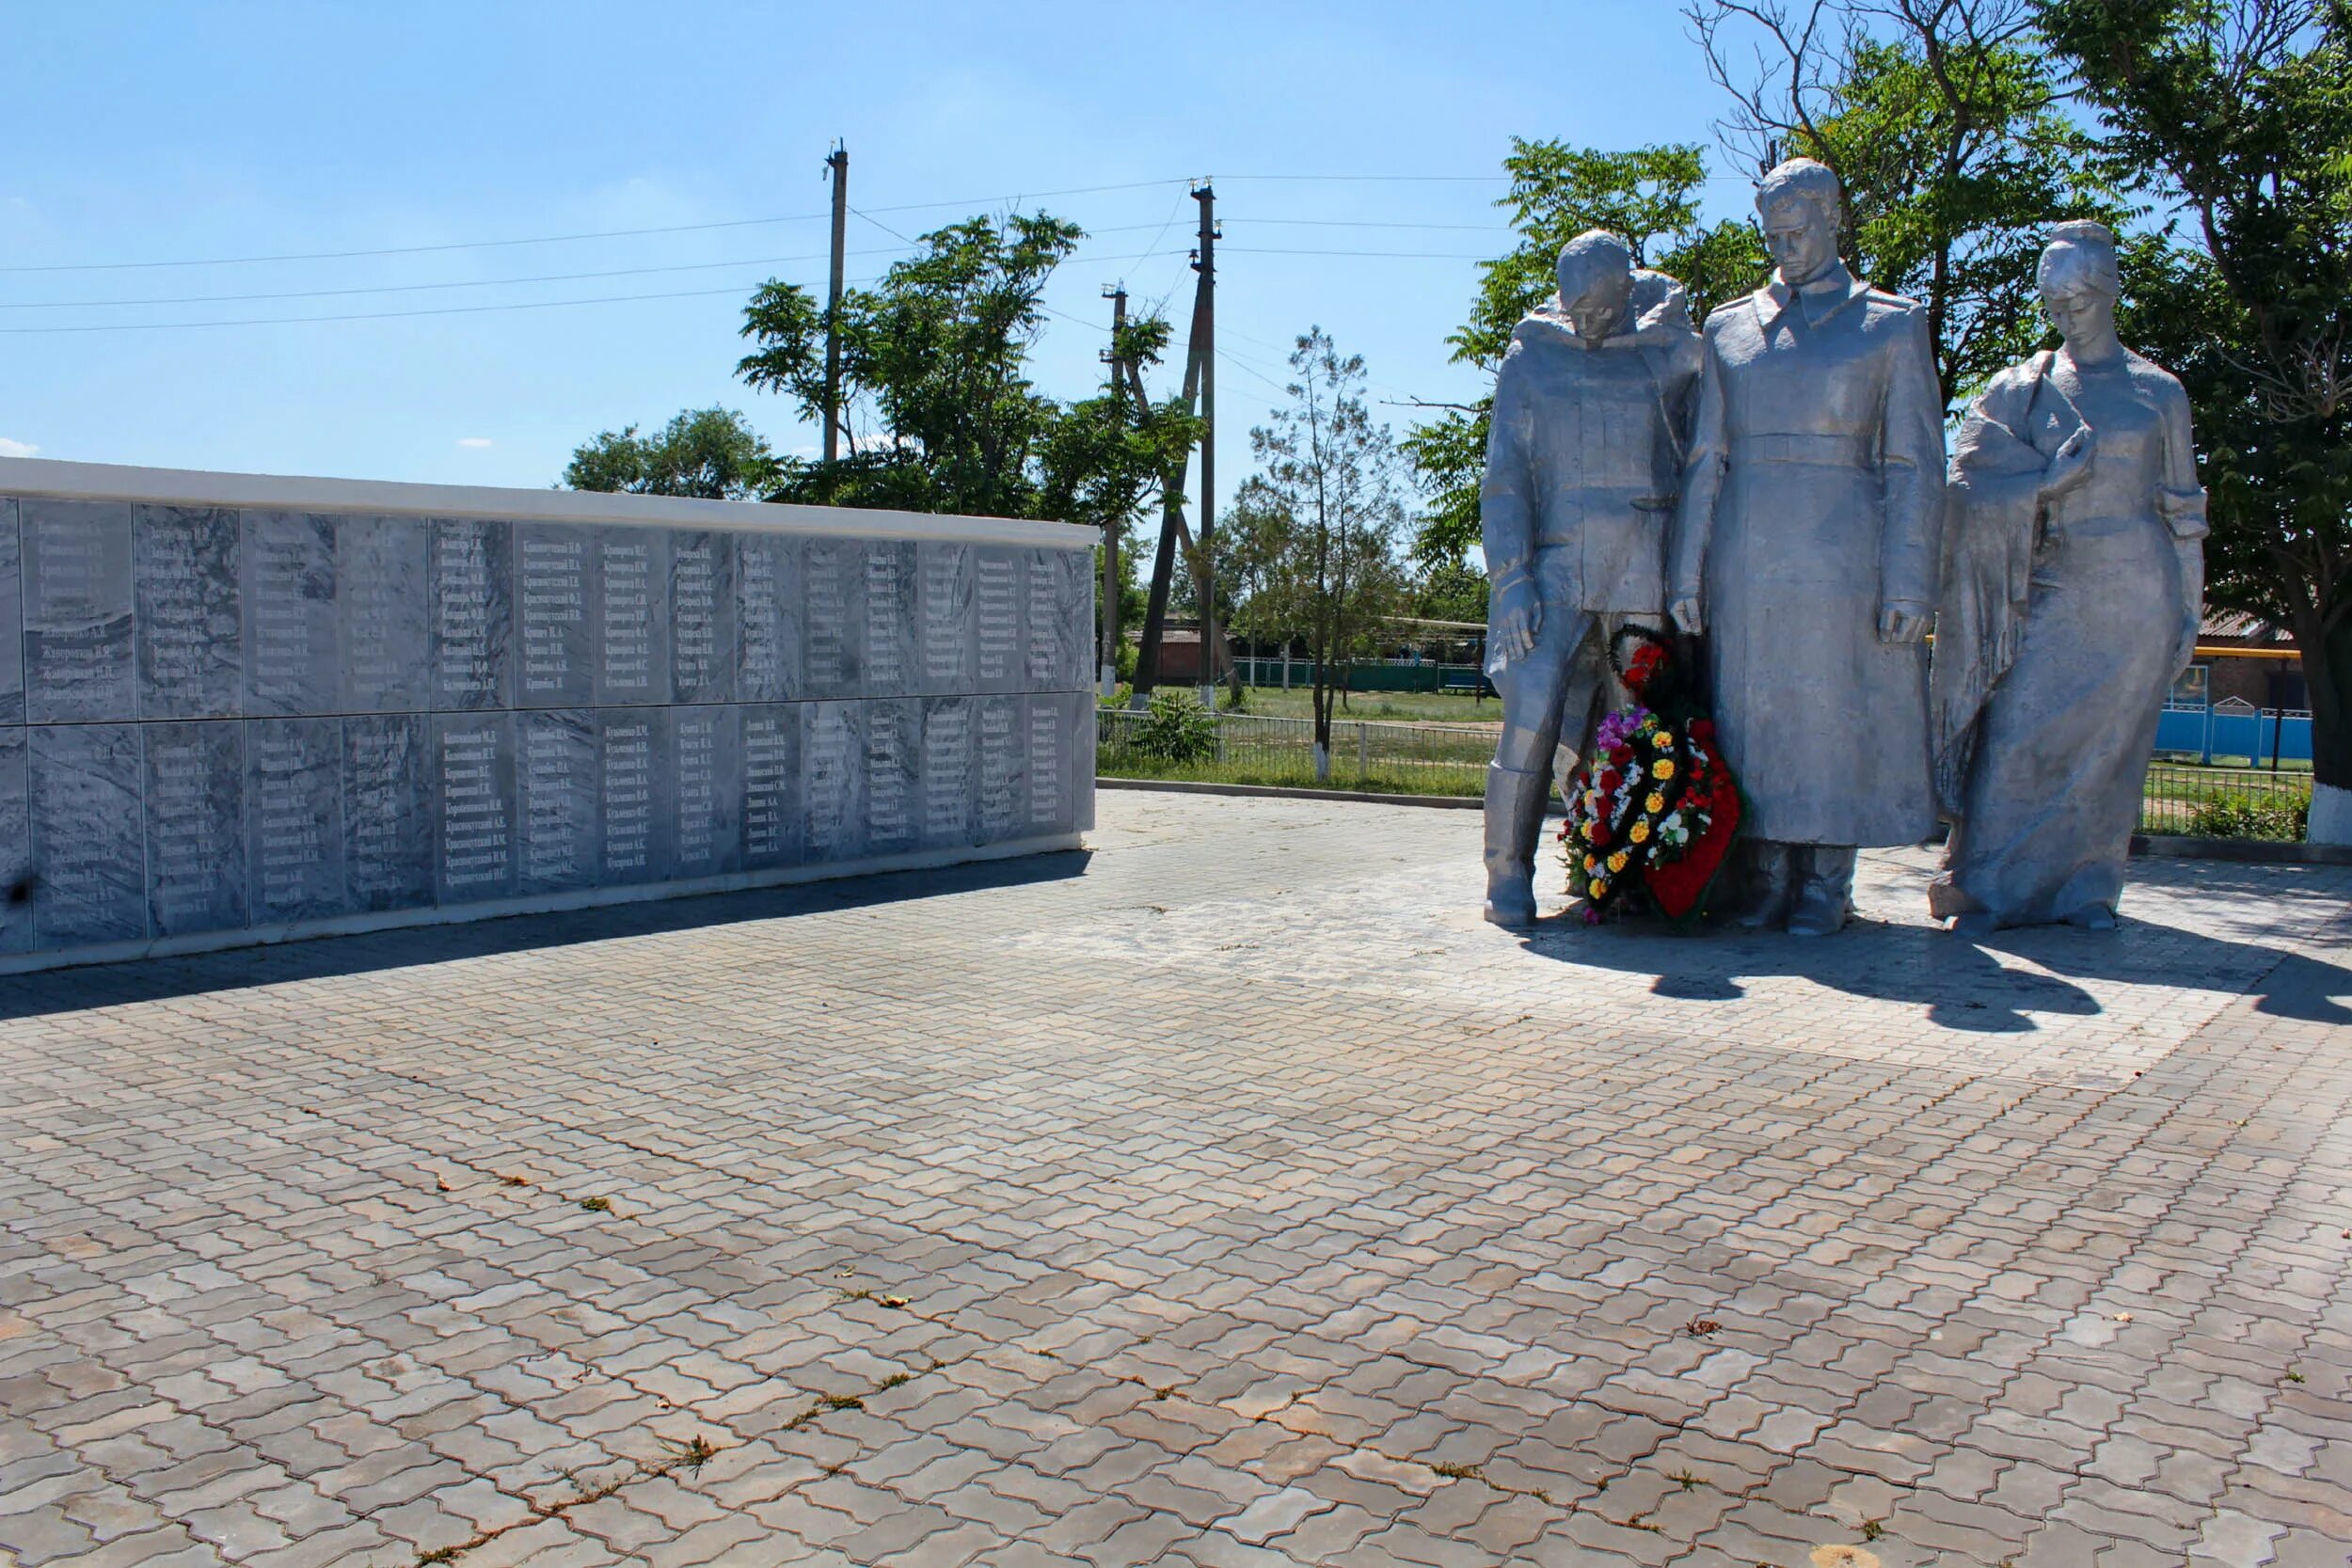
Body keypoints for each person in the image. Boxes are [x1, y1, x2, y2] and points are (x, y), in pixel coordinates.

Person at [1668, 158, 1945, 936]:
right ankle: (1762, 875)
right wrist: (1686, 565)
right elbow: (1704, 457)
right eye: (1772, 234)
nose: (1783, 246)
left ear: (1833, 219)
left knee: (1832, 715)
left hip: (1842, 555)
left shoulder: (1890, 322)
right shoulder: (1728, 327)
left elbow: (1916, 463)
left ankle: (1825, 879)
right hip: (1744, 556)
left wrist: (1910, 582)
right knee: (1753, 714)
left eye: (1797, 230)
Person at [1929, 220, 2206, 930]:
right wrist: (2046, 487)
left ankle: (2088, 887)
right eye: (2054, 303)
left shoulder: (2159, 393)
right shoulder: (2022, 388)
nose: (2066, 316)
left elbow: (2184, 515)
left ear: (2109, 291)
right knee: (2014, 735)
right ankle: (1983, 885)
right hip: (2049, 587)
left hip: (2139, 596)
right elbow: (1962, 488)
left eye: (2079, 300)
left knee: (2109, 757)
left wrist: (2190, 610)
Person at [1479, 230, 1702, 927]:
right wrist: (1512, 576)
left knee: (1643, 727)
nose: (1588, 327)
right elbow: (1506, 472)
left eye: (1601, 312)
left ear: (1628, 292)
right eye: (1577, 313)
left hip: (1643, 556)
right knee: (1533, 710)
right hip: (1552, 563)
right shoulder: (1533, 357)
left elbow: (1704, 460)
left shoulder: (1673, 351)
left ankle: (1632, 872)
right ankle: (1506, 872)